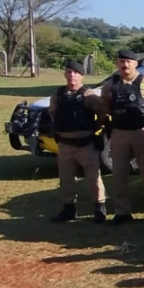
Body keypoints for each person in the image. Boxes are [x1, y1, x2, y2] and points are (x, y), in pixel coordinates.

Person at [100, 49, 144, 225]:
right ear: (117, 63)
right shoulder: (110, 84)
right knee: (119, 174)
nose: (125, 65)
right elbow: (103, 107)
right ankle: (122, 212)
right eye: (121, 61)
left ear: (135, 64)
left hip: (142, 132)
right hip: (119, 134)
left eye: (128, 62)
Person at [48, 60, 107, 223]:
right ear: (65, 74)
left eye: (76, 73)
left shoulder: (89, 95)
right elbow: (53, 112)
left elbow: (102, 112)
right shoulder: (58, 95)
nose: (72, 75)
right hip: (65, 144)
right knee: (66, 178)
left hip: (85, 143)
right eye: (69, 72)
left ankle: (99, 208)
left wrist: (96, 129)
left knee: (93, 177)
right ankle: (68, 209)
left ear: (82, 76)